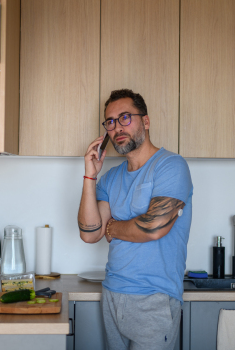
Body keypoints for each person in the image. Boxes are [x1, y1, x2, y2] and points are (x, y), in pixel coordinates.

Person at [77, 89, 194, 350]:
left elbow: (154, 226)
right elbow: (90, 233)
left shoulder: (171, 166)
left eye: (125, 117)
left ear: (146, 122)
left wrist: (114, 227)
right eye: (110, 121)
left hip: (154, 299)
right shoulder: (110, 178)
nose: (117, 127)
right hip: (112, 294)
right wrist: (90, 176)